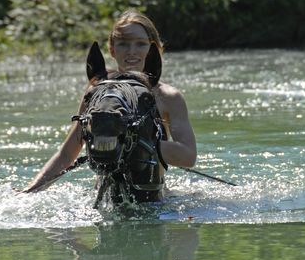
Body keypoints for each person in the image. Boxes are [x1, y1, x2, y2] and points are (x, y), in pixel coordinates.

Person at [21, 10, 197, 192]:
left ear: (155, 49)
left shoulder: (168, 97)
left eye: (140, 44)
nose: (131, 52)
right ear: (112, 50)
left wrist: (137, 141)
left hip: (153, 198)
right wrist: (30, 191)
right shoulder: (97, 93)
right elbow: (67, 154)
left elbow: (189, 156)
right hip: (104, 200)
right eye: (123, 44)